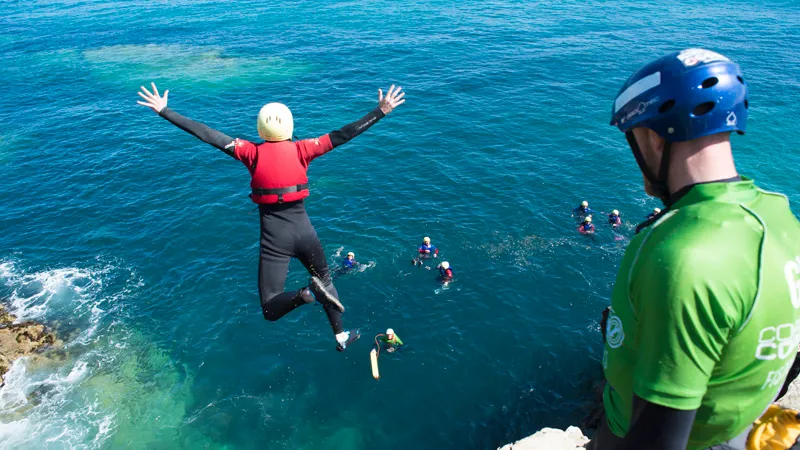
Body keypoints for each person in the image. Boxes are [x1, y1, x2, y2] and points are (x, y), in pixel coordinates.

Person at [588, 49, 800, 450]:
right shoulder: (781, 217)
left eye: (631, 137)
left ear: (652, 138)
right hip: (733, 427)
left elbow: (657, 440)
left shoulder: (683, 254)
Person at [136, 82, 405, 352]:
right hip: (305, 232)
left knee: (271, 307)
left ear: (260, 128)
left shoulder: (249, 152)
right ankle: (340, 335)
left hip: (275, 240)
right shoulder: (304, 149)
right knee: (325, 278)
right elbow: (344, 134)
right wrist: (380, 111)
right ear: (289, 126)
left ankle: (307, 295)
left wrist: (164, 111)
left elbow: (207, 134)